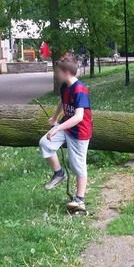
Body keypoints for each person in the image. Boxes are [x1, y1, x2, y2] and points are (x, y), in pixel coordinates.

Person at [39, 58, 93, 212]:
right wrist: (55, 118)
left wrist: (57, 128)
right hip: (66, 127)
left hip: (79, 132)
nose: (55, 75)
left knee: (78, 165)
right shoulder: (65, 87)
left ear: (66, 72)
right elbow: (62, 102)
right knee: (45, 143)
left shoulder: (80, 90)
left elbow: (78, 117)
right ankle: (59, 173)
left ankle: (80, 200)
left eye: (57, 72)